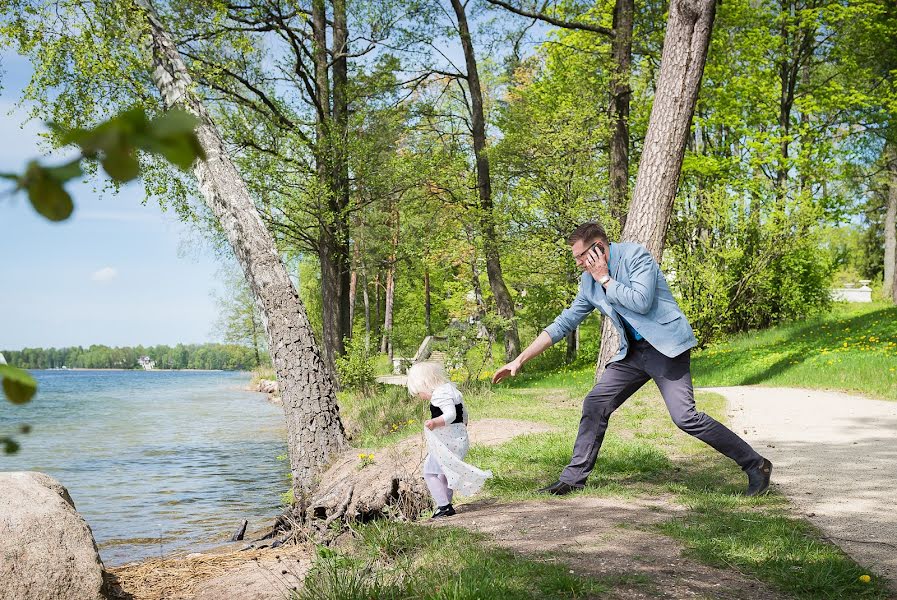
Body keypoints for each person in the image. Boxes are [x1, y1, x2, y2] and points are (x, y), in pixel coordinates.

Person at [492, 222, 772, 496]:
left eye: (580, 256)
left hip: (666, 346)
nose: (577, 263)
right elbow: (564, 323)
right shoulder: (588, 282)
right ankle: (572, 479)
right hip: (634, 353)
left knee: (685, 417)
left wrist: (605, 278)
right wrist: (520, 360)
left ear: (598, 249)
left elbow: (641, 301)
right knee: (596, 402)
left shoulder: (635, 256)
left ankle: (756, 464)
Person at [407, 361, 492, 518]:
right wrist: (462, 426)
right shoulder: (452, 390)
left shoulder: (439, 395)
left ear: (425, 383)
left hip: (447, 440)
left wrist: (435, 422)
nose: (420, 397)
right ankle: (447, 505)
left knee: (429, 472)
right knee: (445, 472)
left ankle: (444, 506)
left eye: (419, 393)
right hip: (458, 437)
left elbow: (450, 414)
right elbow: (464, 413)